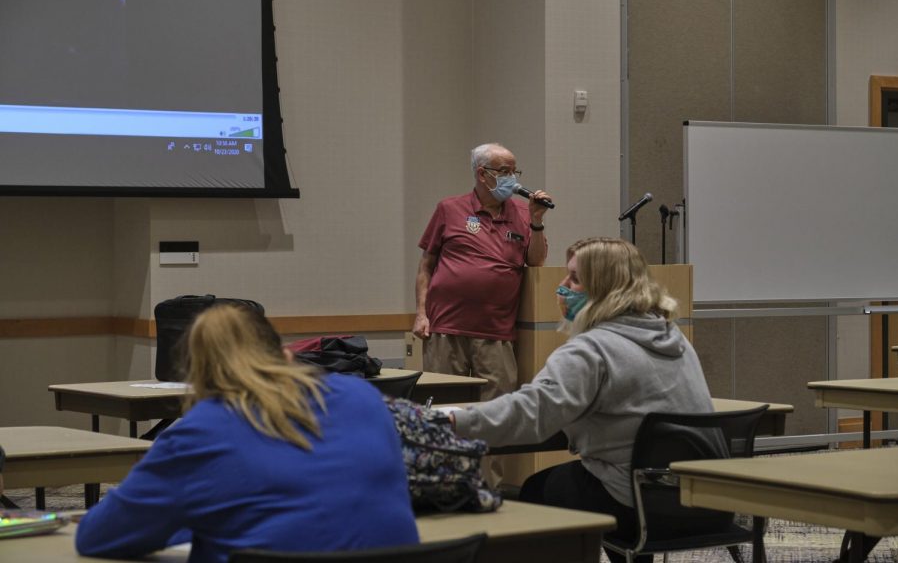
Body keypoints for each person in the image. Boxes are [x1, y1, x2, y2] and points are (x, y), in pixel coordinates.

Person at [76, 304, 418, 563]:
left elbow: (99, 536)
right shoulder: (363, 397)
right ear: (285, 354)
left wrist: (192, 522)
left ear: (195, 378)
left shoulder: (200, 433)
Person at [449, 237, 714, 563]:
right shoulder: (672, 336)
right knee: (598, 478)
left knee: (537, 490)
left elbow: (531, 412)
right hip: (699, 497)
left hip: (637, 502)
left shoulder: (591, 349)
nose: (562, 286)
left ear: (603, 288)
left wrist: (455, 420)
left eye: (574, 278)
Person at [413, 143, 552, 486]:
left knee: (497, 415)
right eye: (504, 171)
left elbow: (535, 262)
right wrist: (420, 313)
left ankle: (489, 489)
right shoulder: (450, 209)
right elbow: (426, 266)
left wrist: (536, 221)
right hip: (446, 327)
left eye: (514, 171)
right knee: (444, 411)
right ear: (482, 174)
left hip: (497, 332)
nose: (512, 178)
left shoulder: (521, 213)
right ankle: (442, 484)